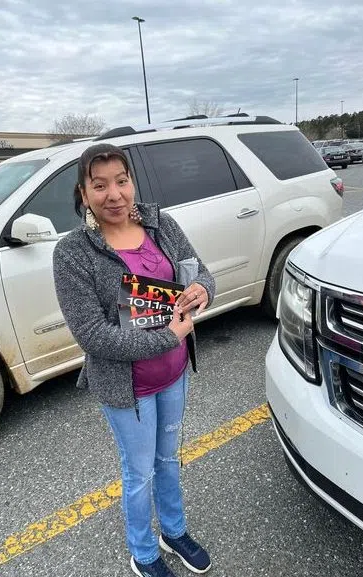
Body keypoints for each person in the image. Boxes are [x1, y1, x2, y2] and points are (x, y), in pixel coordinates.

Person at [53, 143, 215, 577]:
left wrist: (202, 290)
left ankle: (173, 531)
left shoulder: (162, 225)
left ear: (132, 182)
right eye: (99, 185)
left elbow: (200, 272)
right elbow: (93, 336)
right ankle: (143, 552)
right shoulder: (73, 253)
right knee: (140, 472)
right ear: (83, 193)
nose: (114, 195)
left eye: (121, 181)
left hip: (175, 373)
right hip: (129, 389)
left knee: (169, 459)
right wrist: (168, 336)